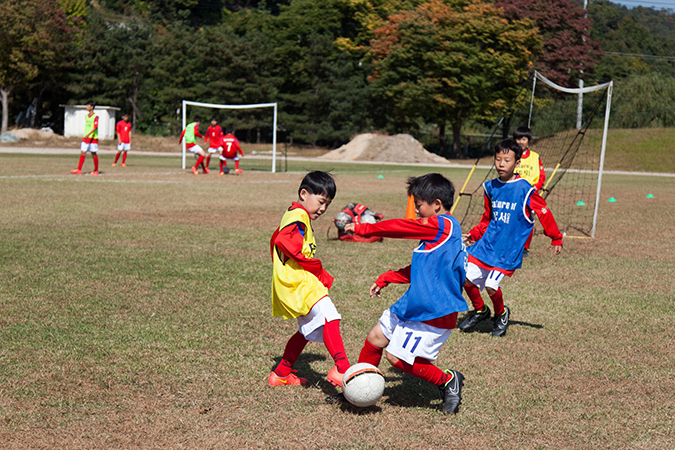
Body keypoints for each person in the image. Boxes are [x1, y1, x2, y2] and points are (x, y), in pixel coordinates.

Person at [344, 173, 466, 414]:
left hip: (434, 310)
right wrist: (389, 277)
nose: (416, 211)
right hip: (413, 304)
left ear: (437, 205)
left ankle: (447, 381)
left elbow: (403, 226)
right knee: (375, 339)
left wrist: (365, 227)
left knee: (397, 359)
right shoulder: (437, 235)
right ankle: (358, 386)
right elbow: (425, 270)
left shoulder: (445, 224)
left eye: (419, 205)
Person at [459, 139, 563, 338]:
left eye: (506, 160)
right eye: (498, 159)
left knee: (491, 285)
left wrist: (556, 237)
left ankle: (501, 314)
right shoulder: (490, 187)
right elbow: (487, 219)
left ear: (517, 163)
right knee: (465, 277)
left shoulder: (525, 189)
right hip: (487, 245)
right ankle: (480, 310)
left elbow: (544, 212)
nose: (501, 164)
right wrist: (474, 234)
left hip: (508, 250)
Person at [269, 171, 350, 388]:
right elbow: (283, 241)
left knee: (308, 329)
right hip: (299, 281)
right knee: (329, 317)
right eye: (321, 201)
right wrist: (317, 269)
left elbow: (276, 240)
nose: (323, 209)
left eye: (327, 204)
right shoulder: (298, 216)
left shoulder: (295, 213)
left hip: (293, 281)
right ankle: (343, 369)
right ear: (304, 194)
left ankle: (281, 373)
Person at [513, 126, 546, 255]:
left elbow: (541, 176)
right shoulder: (511, 155)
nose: (520, 142)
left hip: (529, 195)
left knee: (527, 220)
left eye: (524, 139)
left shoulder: (535, 157)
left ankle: (525, 248)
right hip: (514, 193)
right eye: (518, 139)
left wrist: (535, 188)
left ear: (528, 140)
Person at [70, 101, 100, 175]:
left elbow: (95, 127)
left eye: (88, 105)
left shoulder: (95, 116)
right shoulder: (86, 116)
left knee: (93, 153)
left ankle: (96, 170)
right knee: (83, 152)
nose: (86, 107)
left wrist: (89, 134)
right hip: (86, 137)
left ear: (92, 107)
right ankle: (79, 169)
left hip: (92, 138)